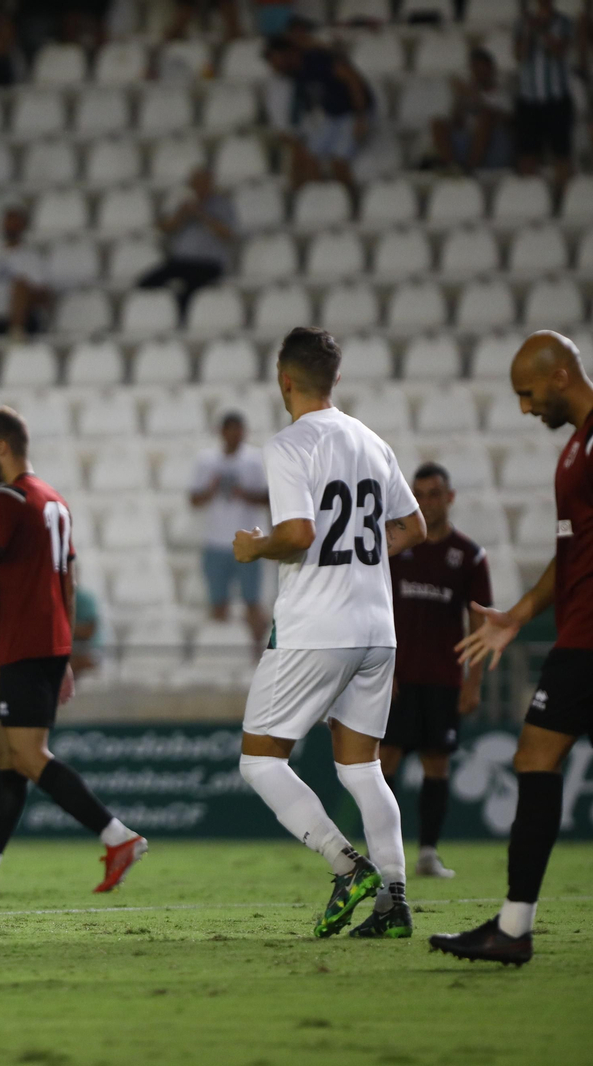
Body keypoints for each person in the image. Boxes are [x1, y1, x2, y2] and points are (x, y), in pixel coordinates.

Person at [231, 326, 426, 940]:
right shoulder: (372, 441)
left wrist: (254, 546)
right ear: (334, 379)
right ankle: (395, 899)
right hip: (377, 629)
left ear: (283, 379)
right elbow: (414, 526)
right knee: (363, 768)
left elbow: (297, 533)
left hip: (318, 627)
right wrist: (364, 565)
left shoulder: (290, 445)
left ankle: (348, 867)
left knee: (259, 762)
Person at [0, 408, 147, 895]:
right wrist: (64, 654)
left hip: (26, 645)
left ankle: (118, 836)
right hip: (46, 644)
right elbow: (68, 581)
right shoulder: (54, 500)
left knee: (26, 753)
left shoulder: (7, 498)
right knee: (5, 751)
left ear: (3, 447)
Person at [433, 331, 593, 966]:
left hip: (588, 643)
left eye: (528, 395)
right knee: (535, 758)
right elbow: (569, 556)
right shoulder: (574, 451)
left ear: (558, 377)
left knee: (534, 758)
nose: (525, 410)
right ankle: (513, 925)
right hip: (575, 635)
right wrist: (518, 616)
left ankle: (514, 927)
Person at [384, 462, 491, 880]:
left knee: (436, 763)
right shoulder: (395, 547)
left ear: (450, 498)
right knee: (386, 759)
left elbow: (478, 622)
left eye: (434, 494)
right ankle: (385, 854)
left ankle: (428, 853)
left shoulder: (468, 555)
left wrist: (473, 681)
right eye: (420, 494)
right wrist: (377, 669)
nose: (427, 502)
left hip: (443, 678)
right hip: (397, 675)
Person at [189, 412, 270, 651]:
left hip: (248, 541)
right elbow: (194, 499)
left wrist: (244, 494)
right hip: (216, 542)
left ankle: (258, 653)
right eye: (231, 430)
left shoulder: (254, 460)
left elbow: (268, 498)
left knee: (252, 602)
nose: (235, 436)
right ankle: (221, 651)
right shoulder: (206, 460)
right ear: (222, 432)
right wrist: (211, 490)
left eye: (239, 431)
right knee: (217, 603)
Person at [263, 37, 374, 189]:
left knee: (339, 161)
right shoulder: (295, 73)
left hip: (353, 112)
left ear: (287, 55)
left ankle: (348, 201)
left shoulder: (317, 61)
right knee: (309, 154)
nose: (273, 66)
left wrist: (360, 117)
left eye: (275, 60)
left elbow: (352, 80)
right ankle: (318, 197)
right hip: (332, 114)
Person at [139, 168, 237, 322]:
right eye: (196, 183)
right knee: (146, 283)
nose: (200, 187)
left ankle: (181, 322)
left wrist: (201, 214)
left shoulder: (222, 204)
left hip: (208, 264)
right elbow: (164, 227)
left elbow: (228, 233)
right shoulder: (182, 203)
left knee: (188, 291)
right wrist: (182, 214)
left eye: (203, 183)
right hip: (181, 262)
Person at [514, 0, 576, 182]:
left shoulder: (563, 22)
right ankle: (531, 197)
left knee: (561, 153)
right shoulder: (522, 23)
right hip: (529, 99)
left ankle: (563, 198)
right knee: (527, 155)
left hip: (556, 99)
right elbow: (520, 55)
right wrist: (529, 30)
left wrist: (541, 29)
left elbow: (559, 51)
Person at [0, 205, 48, 340]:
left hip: (24, 319)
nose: (11, 227)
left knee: (20, 285)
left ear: (22, 226)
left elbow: (43, 294)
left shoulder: (32, 256)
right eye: (8, 222)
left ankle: (15, 333)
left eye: (15, 223)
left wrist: (22, 292)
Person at [431, 48, 512, 173]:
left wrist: (474, 96)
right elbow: (456, 121)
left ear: (491, 69)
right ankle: (452, 168)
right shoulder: (467, 94)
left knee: (486, 118)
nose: (478, 73)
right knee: (437, 124)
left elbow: (504, 120)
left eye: (482, 69)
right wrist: (460, 100)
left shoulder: (501, 93)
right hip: (467, 142)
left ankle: (471, 169)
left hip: (492, 146)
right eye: (475, 69)